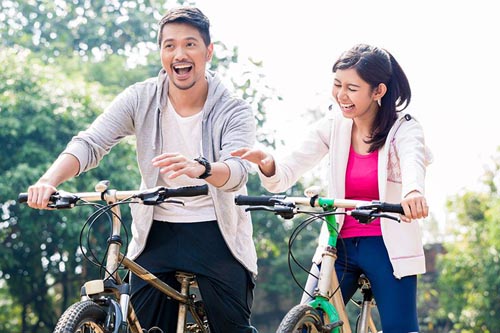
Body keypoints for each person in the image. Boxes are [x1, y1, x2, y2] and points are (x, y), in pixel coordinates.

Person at [26, 6, 259, 333]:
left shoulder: (234, 109)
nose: (180, 53)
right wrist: (49, 180)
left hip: (216, 232)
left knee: (231, 327)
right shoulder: (140, 98)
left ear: (208, 52)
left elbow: (237, 172)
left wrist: (202, 168)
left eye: (190, 44)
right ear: (161, 52)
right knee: (139, 324)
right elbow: (92, 142)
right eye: (170, 45)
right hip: (155, 230)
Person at [232, 43, 432, 333]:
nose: (341, 95)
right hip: (337, 246)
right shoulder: (334, 126)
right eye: (337, 84)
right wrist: (268, 163)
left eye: (352, 88)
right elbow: (289, 168)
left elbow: (413, 159)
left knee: (401, 328)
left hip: (387, 248)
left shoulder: (404, 128)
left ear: (378, 91)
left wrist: (413, 192)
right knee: (307, 323)